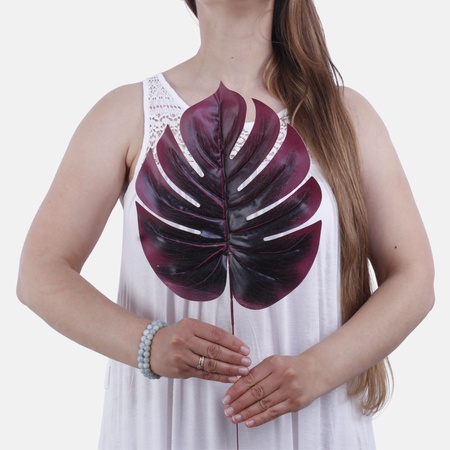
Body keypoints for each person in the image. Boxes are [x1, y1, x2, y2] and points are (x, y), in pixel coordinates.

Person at [17, 0, 435, 449]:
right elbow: (40, 271)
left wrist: (318, 369)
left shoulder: (345, 116)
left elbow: (413, 277)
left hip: (314, 429)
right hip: (165, 431)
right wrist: (148, 343)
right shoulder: (127, 113)